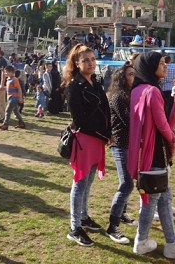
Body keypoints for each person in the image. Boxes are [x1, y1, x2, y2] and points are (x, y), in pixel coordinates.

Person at [127, 52, 175, 261]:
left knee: (164, 199)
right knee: (151, 201)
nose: (165, 67)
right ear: (150, 67)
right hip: (155, 153)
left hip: (143, 152)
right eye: (160, 64)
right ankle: (141, 242)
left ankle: (172, 243)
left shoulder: (137, 90)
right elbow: (161, 124)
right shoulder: (153, 91)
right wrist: (172, 137)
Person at [62, 44, 111, 247]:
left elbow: (105, 108)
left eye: (92, 59)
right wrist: (102, 133)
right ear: (76, 63)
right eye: (86, 60)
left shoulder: (96, 82)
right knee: (80, 182)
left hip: (98, 138)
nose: (91, 63)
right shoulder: (74, 86)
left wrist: (108, 133)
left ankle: (83, 216)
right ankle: (75, 227)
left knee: (88, 181)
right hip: (84, 139)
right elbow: (79, 118)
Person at [106, 63, 137, 245]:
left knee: (127, 181)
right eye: (130, 74)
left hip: (130, 144)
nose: (134, 77)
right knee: (126, 184)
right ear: (122, 78)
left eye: (134, 74)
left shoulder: (130, 95)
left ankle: (123, 213)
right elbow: (128, 121)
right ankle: (112, 225)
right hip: (120, 144)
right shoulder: (118, 96)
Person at [0, 66, 25, 130]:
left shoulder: (14, 79)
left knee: (7, 111)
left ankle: (5, 124)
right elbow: (9, 88)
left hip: (14, 98)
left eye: (6, 72)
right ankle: (21, 123)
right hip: (10, 98)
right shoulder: (8, 79)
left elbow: (19, 88)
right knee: (15, 111)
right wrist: (4, 87)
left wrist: (20, 98)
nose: (5, 73)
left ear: (11, 72)